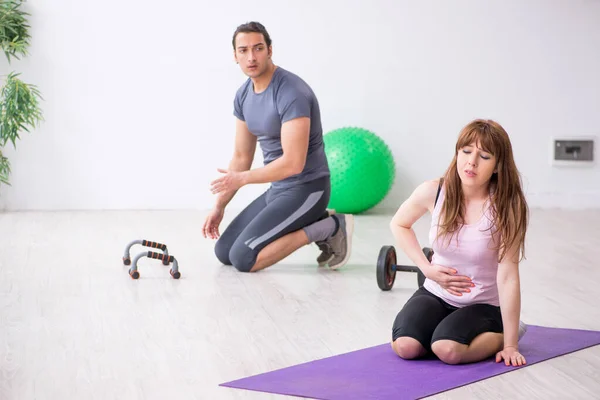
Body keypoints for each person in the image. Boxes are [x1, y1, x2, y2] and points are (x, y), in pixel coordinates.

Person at [202, 21, 353, 273]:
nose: (251, 57)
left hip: (307, 188)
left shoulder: (291, 91)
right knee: (224, 252)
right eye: (243, 50)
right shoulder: (243, 95)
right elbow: (241, 157)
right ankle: (318, 220)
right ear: (235, 56)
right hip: (278, 190)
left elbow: (294, 163)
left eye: (258, 48)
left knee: (244, 259)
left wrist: (243, 179)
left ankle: (331, 226)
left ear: (270, 50)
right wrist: (219, 207)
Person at [389, 119, 529, 367]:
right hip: (436, 293)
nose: (471, 162)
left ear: (498, 166)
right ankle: (441, 331)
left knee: (447, 349)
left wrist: (510, 346)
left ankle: (510, 331)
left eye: (484, 156)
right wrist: (426, 268)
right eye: (466, 151)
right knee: (406, 346)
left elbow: (508, 275)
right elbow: (399, 224)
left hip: (483, 304)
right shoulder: (435, 191)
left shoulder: (508, 205)